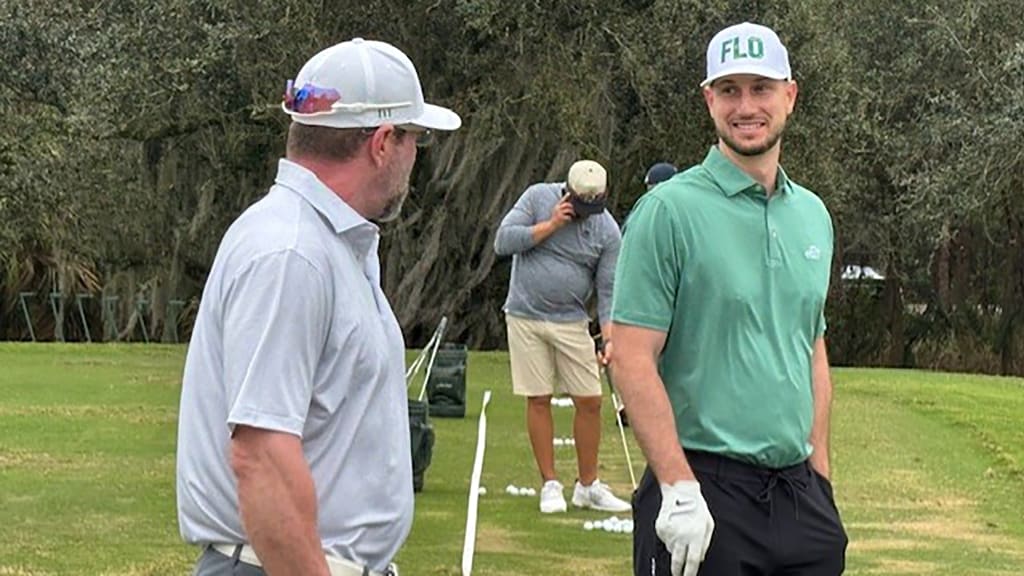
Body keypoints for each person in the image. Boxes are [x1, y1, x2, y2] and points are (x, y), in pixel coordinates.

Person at [175, 38, 460, 576]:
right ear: (382, 142)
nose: (414, 157)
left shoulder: (324, 244)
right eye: (415, 139)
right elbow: (260, 456)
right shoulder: (292, 254)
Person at [610, 22, 848, 576]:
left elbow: (809, 346)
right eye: (730, 90)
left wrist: (822, 478)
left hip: (798, 497)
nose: (746, 106)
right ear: (708, 99)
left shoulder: (812, 214)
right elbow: (630, 354)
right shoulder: (667, 211)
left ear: (789, 95)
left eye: (761, 89)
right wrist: (676, 485)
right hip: (701, 491)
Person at [494, 159, 632, 514]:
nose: (587, 214)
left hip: (572, 321)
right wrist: (551, 225)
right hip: (525, 315)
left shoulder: (607, 231)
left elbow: (607, 289)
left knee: (590, 400)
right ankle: (550, 484)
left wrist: (610, 337)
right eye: (581, 206)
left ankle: (588, 486)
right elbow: (503, 242)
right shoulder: (538, 197)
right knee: (538, 398)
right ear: (567, 192)